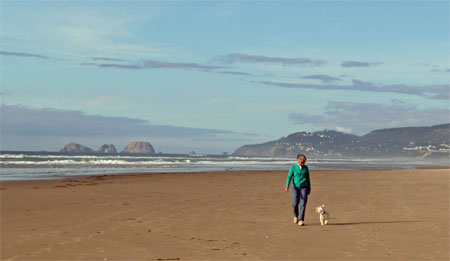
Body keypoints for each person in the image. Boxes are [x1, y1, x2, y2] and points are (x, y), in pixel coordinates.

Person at [285, 154, 311, 226]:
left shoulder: (306, 168)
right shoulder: (293, 167)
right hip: (295, 187)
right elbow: (289, 177)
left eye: (304, 162)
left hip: (304, 187)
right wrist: (287, 185)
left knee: (303, 204)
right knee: (295, 203)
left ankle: (301, 220)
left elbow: (308, 178)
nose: (303, 164)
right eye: (302, 162)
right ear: (298, 161)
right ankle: (295, 215)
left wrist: (309, 188)